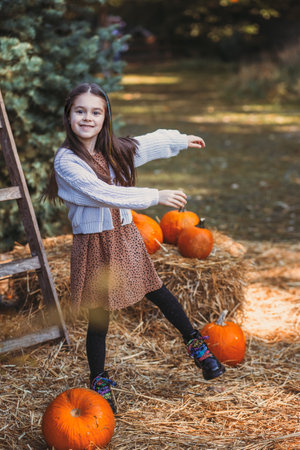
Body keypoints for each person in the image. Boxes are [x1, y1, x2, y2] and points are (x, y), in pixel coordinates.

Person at [45, 82, 225, 413]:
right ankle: (98, 380)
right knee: (100, 316)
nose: (88, 118)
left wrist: (179, 140)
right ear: (68, 115)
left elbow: (143, 144)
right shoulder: (66, 161)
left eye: (95, 112)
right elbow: (102, 193)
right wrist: (154, 196)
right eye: (80, 111)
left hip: (124, 233)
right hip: (95, 243)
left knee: (156, 290)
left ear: (104, 117)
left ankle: (198, 347)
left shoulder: (112, 149)